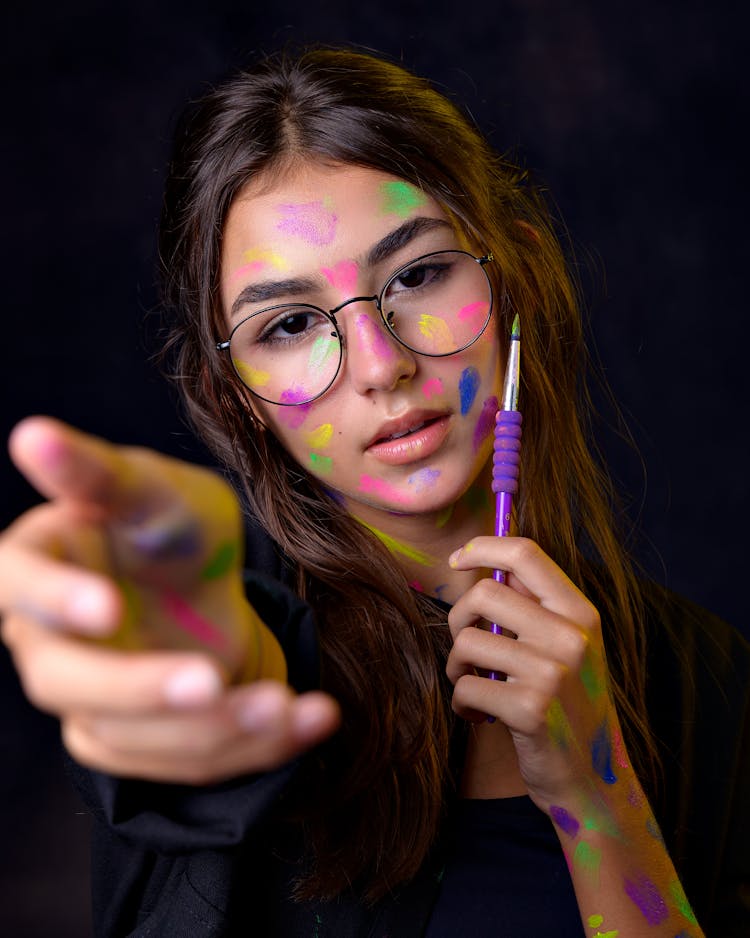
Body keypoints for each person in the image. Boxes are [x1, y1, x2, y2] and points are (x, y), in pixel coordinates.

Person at [1, 46, 747, 938]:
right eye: (288, 325)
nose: (383, 366)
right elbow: (210, 673)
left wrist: (599, 801)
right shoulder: (259, 641)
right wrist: (155, 650)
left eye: (421, 274)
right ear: (235, 398)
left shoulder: (708, 683)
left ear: (518, 280)